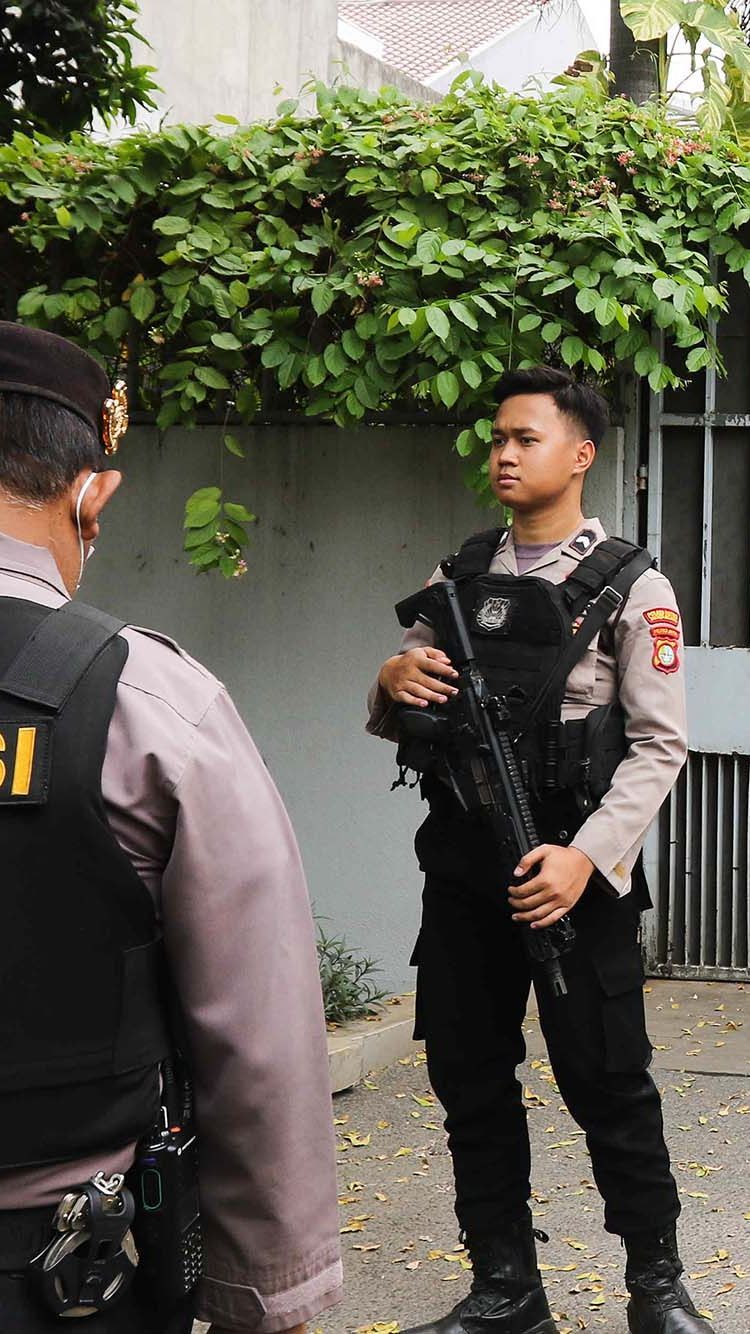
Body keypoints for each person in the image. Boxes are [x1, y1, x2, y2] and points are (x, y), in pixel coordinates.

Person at [0, 322, 342, 1334]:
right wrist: (267, 1297)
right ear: (90, 495)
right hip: (53, 1277)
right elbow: (260, 1034)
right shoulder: (150, 700)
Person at [367, 367, 713, 1334]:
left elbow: (658, 746)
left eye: (526, 437)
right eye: (498, 438)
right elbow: (402, 714)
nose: (505, 454)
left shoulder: (633, 586)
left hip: (579, 882)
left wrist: (586, 858)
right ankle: (507, 1289)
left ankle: (657, 1285)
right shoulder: (460, 578)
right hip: (467, 878)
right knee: (471, 1082)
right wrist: (391, 676)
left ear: (581, 454)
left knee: (610, 1083)